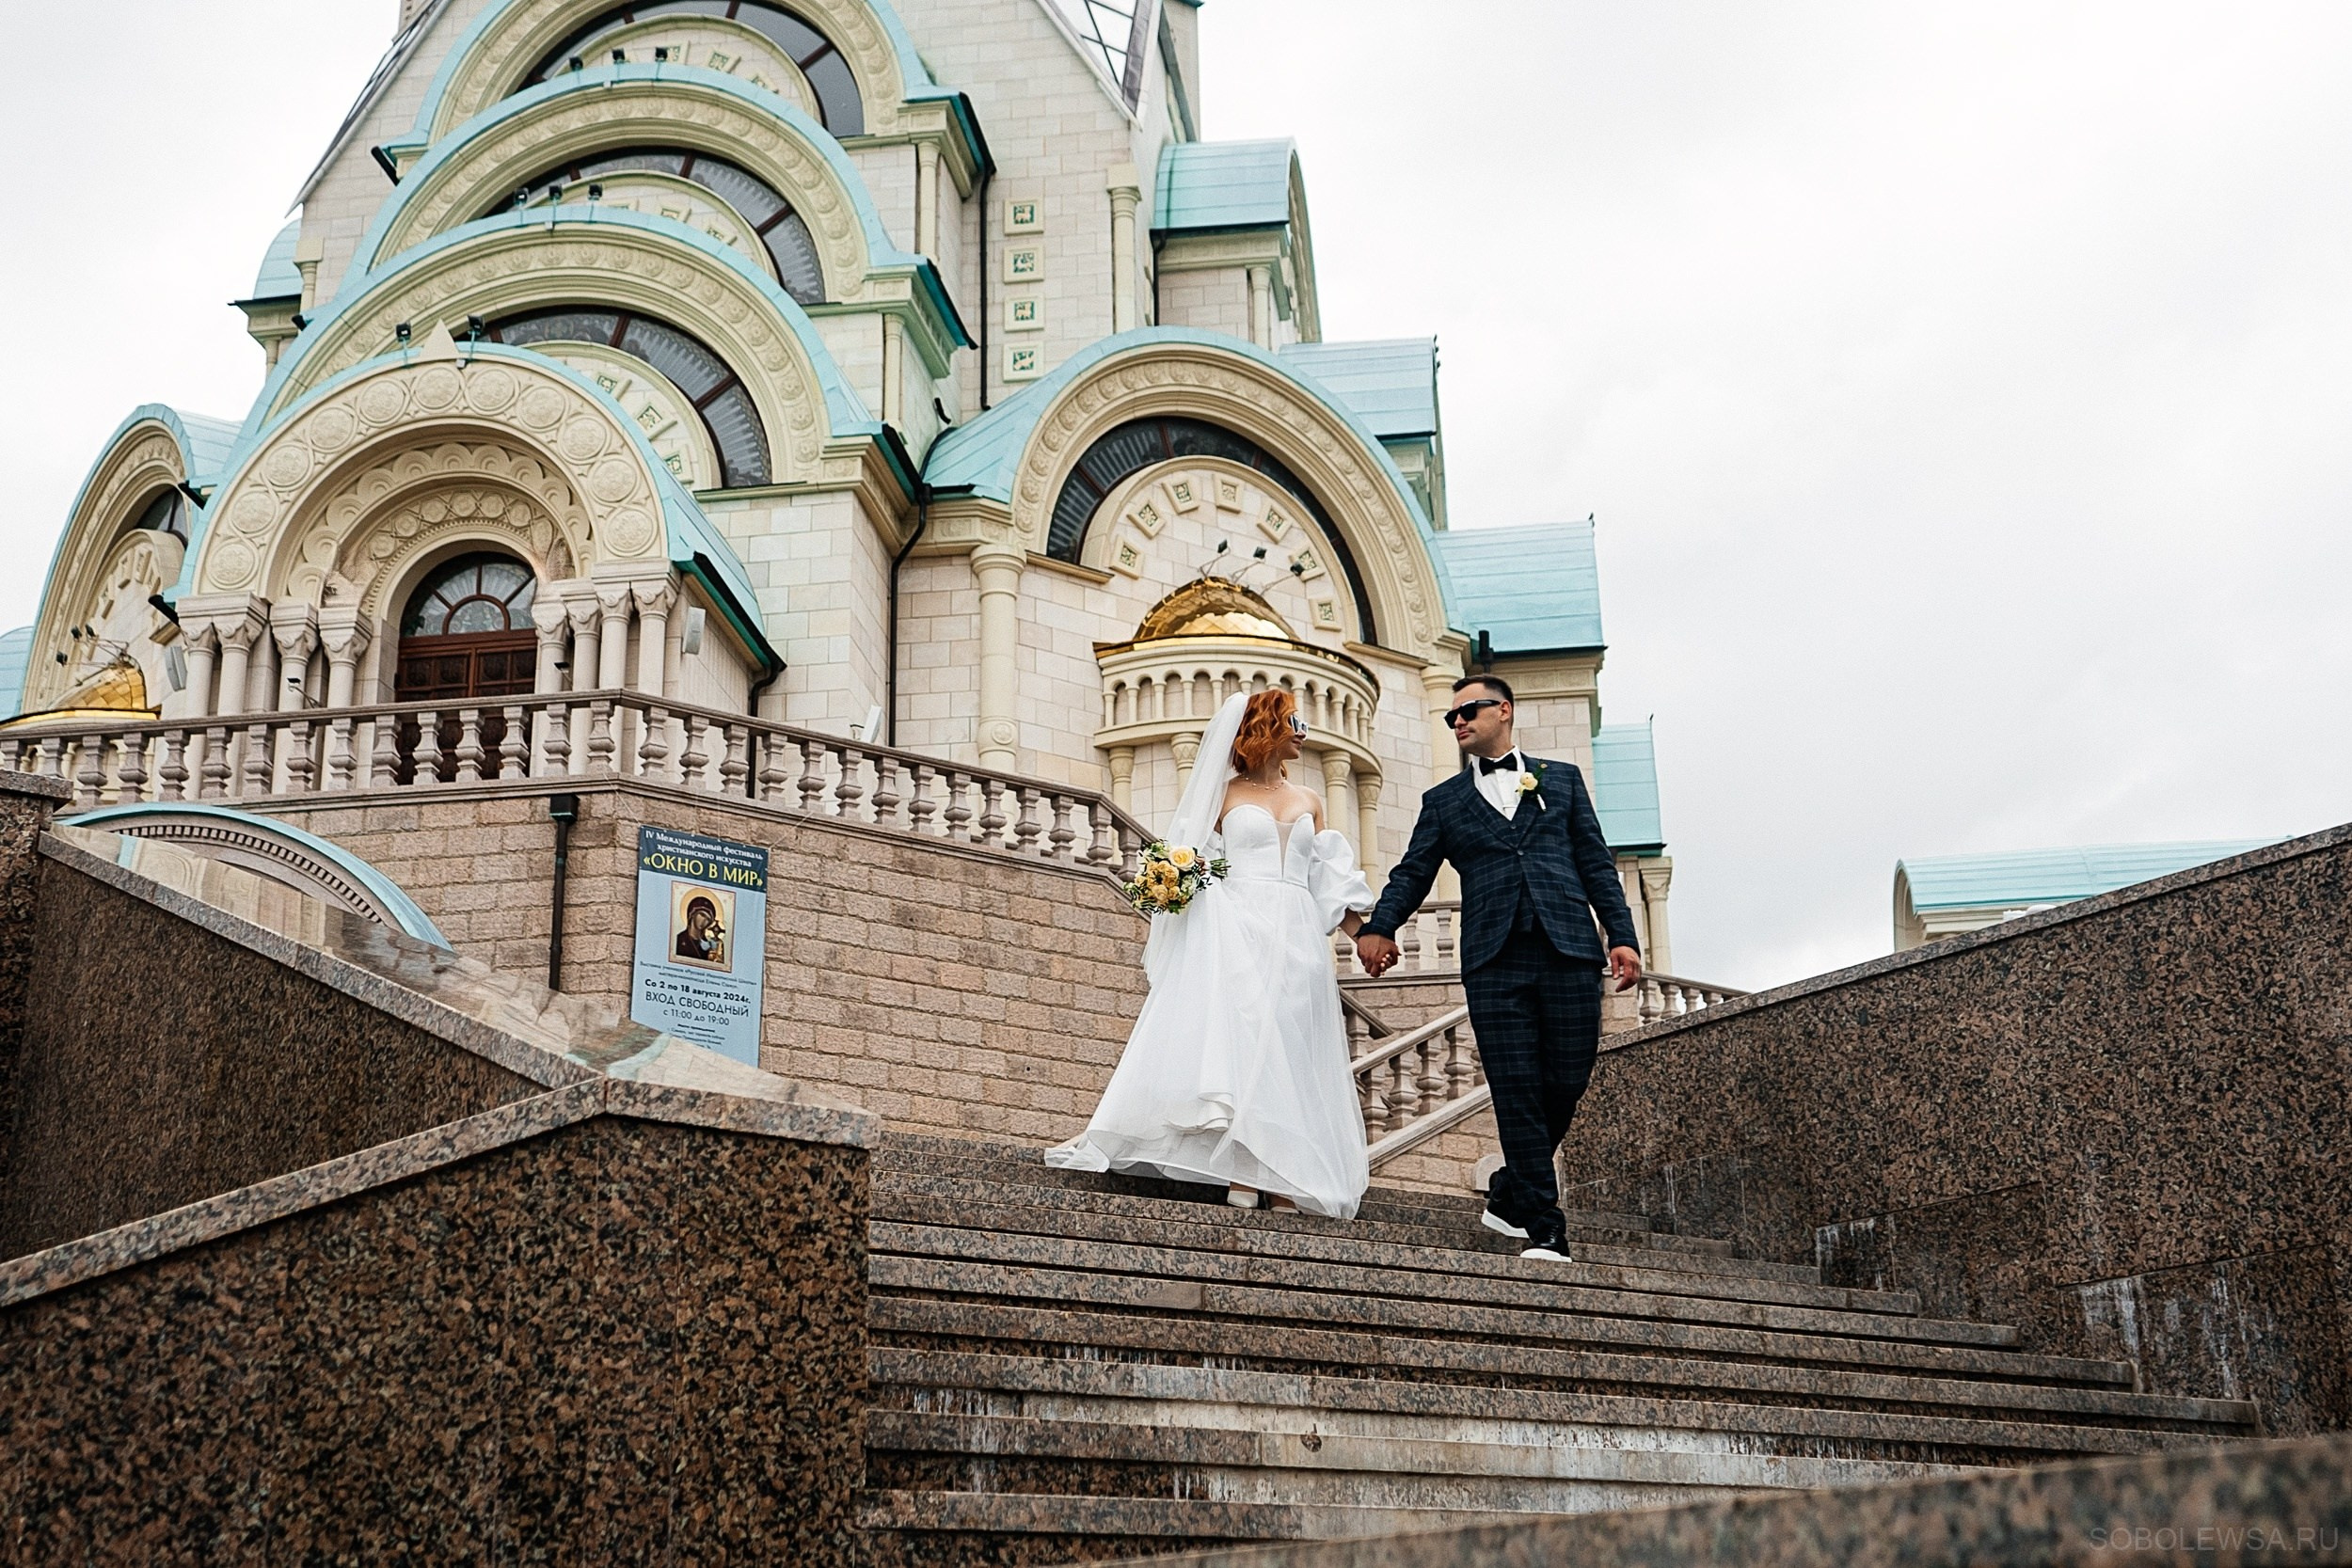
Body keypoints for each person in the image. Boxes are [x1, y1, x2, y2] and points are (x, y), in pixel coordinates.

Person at [1047, 689, 1376, 1217]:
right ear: (1266, 726)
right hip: (1237, 926)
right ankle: (1248, 1171)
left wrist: (1365, 935)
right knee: (1246, 1044)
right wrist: (1175, 885)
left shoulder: (1311, 799)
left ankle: (1284, 1172)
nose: (1304, 731)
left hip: (1297, 939)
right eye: (1295, 720)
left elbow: (1330, 879)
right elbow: (1189, 860)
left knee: (1292, 1050)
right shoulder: (1221, 796)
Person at [1356, 674, 1642, 1260]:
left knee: (1567, 1078)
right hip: (1494, 958)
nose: (1457, 722)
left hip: (1568, 947)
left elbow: (1594, 861)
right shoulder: (1443, 802)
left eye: (1468, 711)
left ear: (1503, 711)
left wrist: (1623, 936)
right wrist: (1381, 926)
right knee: (1515, 1088)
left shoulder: (1561, 780)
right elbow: (1413, 871)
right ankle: (1545, 1226)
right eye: (1450, 717)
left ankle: (1512, 1189)